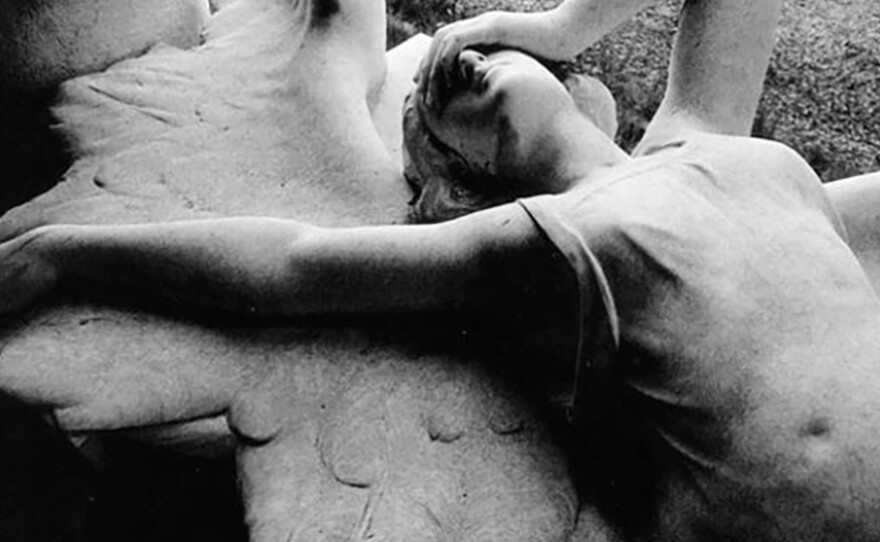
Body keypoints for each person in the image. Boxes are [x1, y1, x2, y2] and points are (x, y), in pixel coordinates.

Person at [3, 0, 880, 541]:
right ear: (461, 190)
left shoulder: (713, 144)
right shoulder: (546, 243)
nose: (452, 60)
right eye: (434, 100)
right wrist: (66, 254)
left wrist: (559, 26)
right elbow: (293, 264)